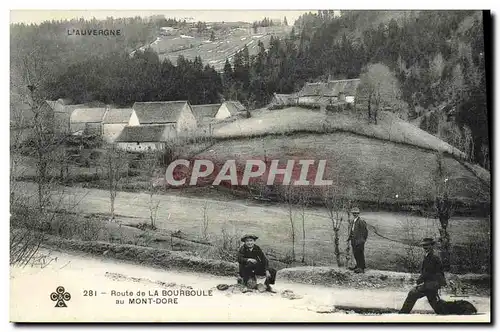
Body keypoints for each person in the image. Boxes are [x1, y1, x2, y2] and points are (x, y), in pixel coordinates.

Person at [399, 237, 447, 314]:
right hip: (432, 283)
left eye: (427, 245)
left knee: (412, 294)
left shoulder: (433, 257)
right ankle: (445, 314)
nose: (425, 247)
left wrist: (419, 280)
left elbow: (428, 272)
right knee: (433, 301)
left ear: (432, 246)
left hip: (432, 283)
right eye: (424, 246)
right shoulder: (428, 256)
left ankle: (403, 314)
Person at [347, 207, 368, 273]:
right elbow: (352, 230)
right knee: (356, 253)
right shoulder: (353, 221)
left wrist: (362, 240)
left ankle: (361, 268)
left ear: (358, 214)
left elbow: (365, 232)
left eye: (356, 213)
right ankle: (358, 266)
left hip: (359, 241)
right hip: (354, 240)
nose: (355, 214)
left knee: (360, 254)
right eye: (353, 213)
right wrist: (350, 238)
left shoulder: (361, 221)